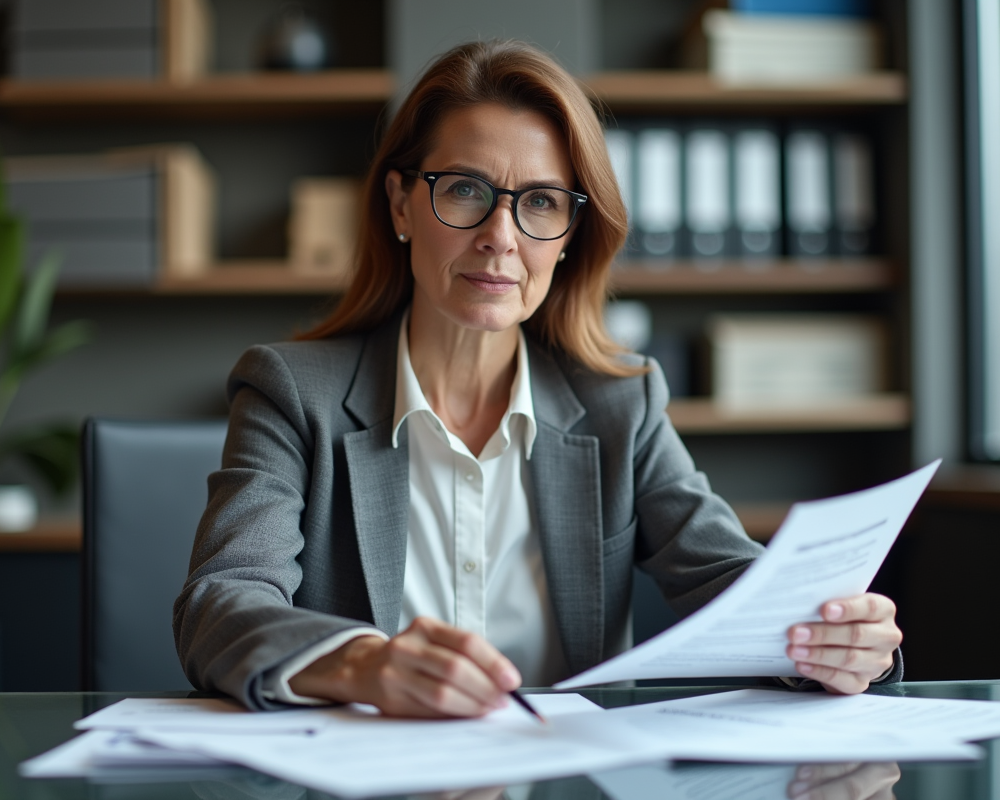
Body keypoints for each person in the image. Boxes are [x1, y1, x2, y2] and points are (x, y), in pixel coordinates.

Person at [173, 40, 903, 716]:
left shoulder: (621, 403)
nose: (501, 236)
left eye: (542, 203)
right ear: (401, 204)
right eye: (463, 190)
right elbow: (222, 604)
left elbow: (742, 591)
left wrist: (838, 641)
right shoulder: (293, 394)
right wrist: (364, 665)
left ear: (570, 237)